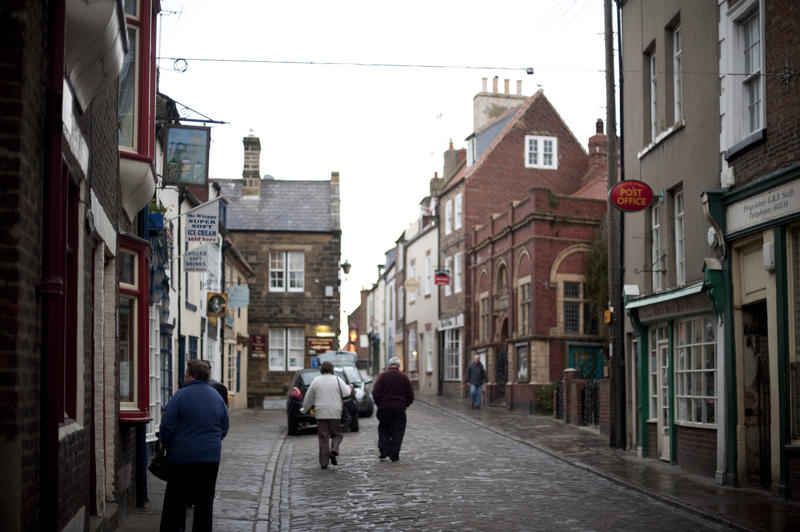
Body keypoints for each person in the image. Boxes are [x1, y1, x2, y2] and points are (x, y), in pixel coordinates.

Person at [159, 359, 230, 532]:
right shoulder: (216, 397)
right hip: (210, 459)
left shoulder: (180, 396)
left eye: (185, 373)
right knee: (204, 502)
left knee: (176, 500)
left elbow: (167, 426)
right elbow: (224, 426)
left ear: (193, 375)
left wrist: (170, 445)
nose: (184, 376)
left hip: (182, 457)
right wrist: (211, 443)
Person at [300, 361, 352, 469]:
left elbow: (309, 397)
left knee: (323, 437)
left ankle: (324, 463)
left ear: (321, 370)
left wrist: (304, 409)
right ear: (332, 369)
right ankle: (334, 449)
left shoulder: (316, 381)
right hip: (335, 412)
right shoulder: (337, 380)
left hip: (321, 413)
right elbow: (347, 392)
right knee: (336, 434)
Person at [372, 356, 414, 462]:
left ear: (389, 365)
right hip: (399, 409)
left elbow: (375, 392)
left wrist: (379, 404)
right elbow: (410, 394)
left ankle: (384, 450)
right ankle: (394, 454)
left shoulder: (383, 376)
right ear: (398, 366)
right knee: (398, 431)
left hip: (384, 408)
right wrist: (405, 405)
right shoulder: (404, 377)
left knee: (383, 429)